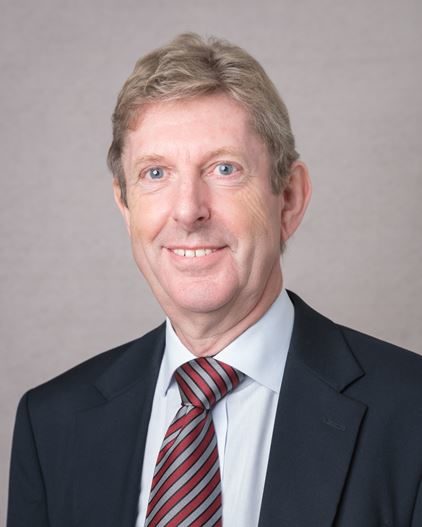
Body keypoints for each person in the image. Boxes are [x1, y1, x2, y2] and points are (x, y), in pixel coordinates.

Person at [7, 33, 422, 527]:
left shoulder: (411, 413)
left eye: (224, 169)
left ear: (289, 199)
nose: (188, 210)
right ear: (125, 205)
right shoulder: (51, 424)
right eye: (156, 174)